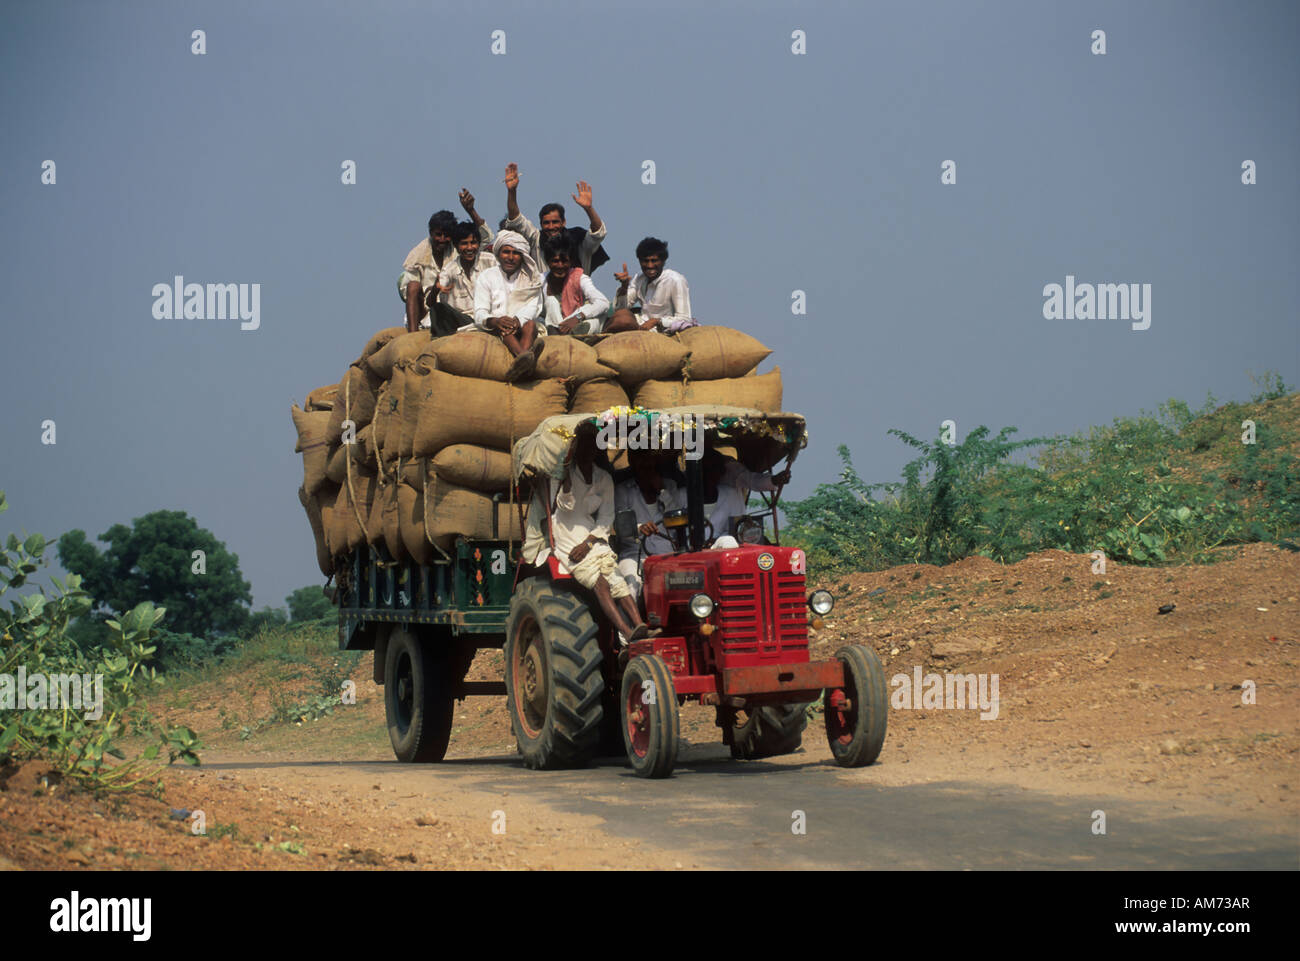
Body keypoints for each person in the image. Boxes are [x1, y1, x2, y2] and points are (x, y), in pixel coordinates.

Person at [527, 430, 649, 642]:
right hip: (564, 536)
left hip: (591, 534)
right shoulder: (562, 475)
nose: (588, 451)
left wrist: (589, 542)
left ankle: (640, 626)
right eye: (583, 446)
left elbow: (607, 517)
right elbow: (565, 506)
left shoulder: (604, 478)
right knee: (600, 583)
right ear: (575, 449)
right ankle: (627, 633)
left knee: (617, 578)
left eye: (593, 447)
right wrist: (565, 478)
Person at [399, 189, 493, 332]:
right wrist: (435, 290)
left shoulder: (458, 250)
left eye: (447, 235)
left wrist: (471, 210)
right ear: (431, 233)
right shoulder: (417, 256)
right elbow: (412, 294)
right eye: (438, 234)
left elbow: (485, 239)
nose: (442, 239)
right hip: (427, 311)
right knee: (413, 286)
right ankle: (412, 335)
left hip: (458, 308)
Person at [501, 163, 610, 277]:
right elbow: (516, 220)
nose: (551, 227)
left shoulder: (578, 240)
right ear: (541, 225)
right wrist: (512, 192)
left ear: (564, 222)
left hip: (577, 293)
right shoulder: (536, 240)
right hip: (544, 294)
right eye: (546, 223)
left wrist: (589, 208)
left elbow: (598, 234)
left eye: (555, 222)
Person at [473, 230, 545, 381]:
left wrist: (517, 321)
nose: (511, 258)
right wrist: (496, 321)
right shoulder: (486, 276)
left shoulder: (532, 278)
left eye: (516, 253)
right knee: (506, 328)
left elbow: (534, 306)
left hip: (523, 326)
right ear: (498, 254)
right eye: (506, 252)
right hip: (495, 328)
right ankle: (525, 360)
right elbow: (480, 311)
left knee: (531, 324)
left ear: (522, 256)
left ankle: (521, 360)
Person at [614, 448, 685, 596]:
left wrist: (662, 491)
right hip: (635, 555)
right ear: (632, 463)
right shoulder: (623, 490)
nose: (645, 465)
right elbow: (622, 526)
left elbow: (676, 519)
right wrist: (640, 528)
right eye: (640, 460)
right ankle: (632, 619)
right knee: (630, 588)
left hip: (667, 553)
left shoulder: (670, 486)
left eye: (648, 460)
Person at [702, 449, 791, 548]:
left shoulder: (730, 476)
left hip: (729, 536)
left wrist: (774, 480)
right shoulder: (683, 494)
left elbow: (752, 480)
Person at [607, 237, 695, 333]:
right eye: (645, 261)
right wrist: (624, 287)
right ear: (640, 261)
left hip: (661, 330)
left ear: (663, 261)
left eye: (654, 261)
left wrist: (657, 321)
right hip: (638, 325)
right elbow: (620, 309)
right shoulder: (639, 278)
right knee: (621, 317)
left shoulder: (676, 280)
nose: (650, 266)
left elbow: (685, 319)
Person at [429, 220, 496, 334]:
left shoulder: (490, 262)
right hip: (464, 321)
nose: (469, 248)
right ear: (456, 246)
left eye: (473, 243)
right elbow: (430, 303)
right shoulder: (449, 271)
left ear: (479, 244)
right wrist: (435, 290)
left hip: (489, 319)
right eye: (464, 243)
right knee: (438, 309)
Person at [540, 234, 610, 335]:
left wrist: (577, 317)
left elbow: (603, 302)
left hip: (576, 321)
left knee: (597, 316)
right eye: (555, 261)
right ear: (547, 262)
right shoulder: (540, 280)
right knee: (551, 302)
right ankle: (558, 332)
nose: (560, 266)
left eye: (564, 261)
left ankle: (573, 332)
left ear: (571, 261)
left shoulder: (579, 278)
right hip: (551, 325)